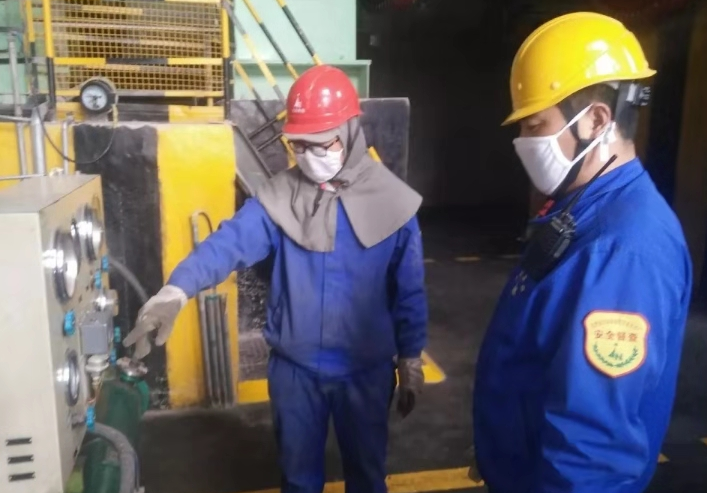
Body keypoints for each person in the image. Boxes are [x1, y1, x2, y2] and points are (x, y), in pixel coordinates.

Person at [123, 65, 428, 493]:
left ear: (351, 131)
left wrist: (410, 357)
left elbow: (409, 290)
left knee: (367, 477)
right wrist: (177, 288)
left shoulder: (393, 203)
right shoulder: (279, 197)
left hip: (365, 372)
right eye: (299, 144)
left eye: (322, 143)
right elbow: (228, 243)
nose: (310, 155)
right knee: (298, 481)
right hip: (294, 373)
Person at [473, 12, 692, 493]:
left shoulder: (626, 250)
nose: (524, 142)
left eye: (536, 125)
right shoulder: (584, 207)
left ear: (596, 120)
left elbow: (592, 454)